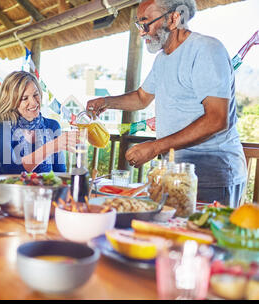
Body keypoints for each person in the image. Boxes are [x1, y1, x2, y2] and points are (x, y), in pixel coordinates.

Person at [86, 0, 247, 207]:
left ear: (173, 18)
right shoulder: (162, 59)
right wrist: (106, 102)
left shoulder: (206, 49)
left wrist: (154, 148)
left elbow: (216, 120)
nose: (142, 32)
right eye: (139, 25)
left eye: (146, 23)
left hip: (213, 175)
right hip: (176, 173)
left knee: (203, 237)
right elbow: (142, 98)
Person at [0, 71, 79, 174]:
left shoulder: (52, 126)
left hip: (46, 190)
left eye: (36, 95)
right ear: (12, 102)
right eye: (25, 98)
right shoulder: (2, 129)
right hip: (14, 190)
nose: (34, 102)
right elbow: (11, 171)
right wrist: (50, 147)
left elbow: (60, 173)